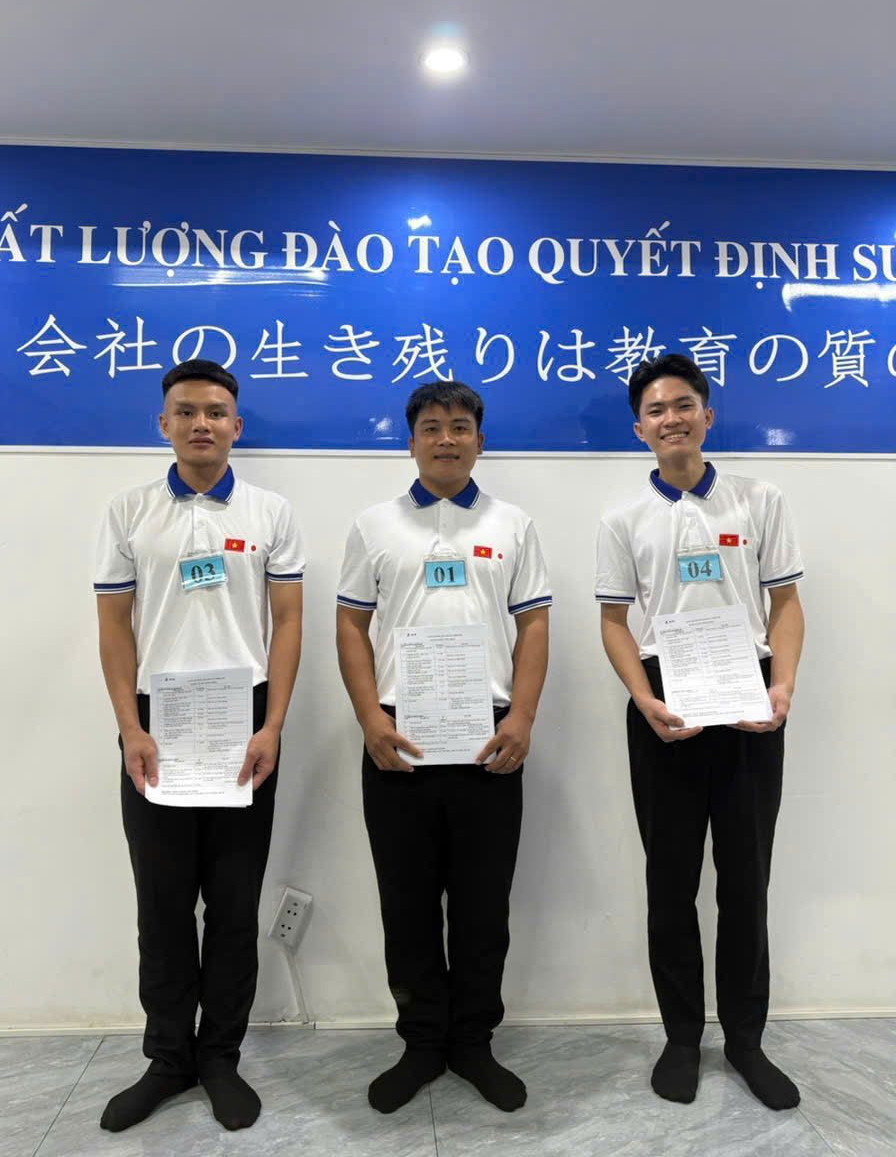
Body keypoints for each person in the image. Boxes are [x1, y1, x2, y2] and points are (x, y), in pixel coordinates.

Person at [93, 359, 303, 1133]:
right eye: (185, 412)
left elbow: (290, 622)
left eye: (216, 412)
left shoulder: (271, 512)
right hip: (157, 720)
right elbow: (114, 626)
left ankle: (219, 1058)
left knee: (234, 904)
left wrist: (273, 724)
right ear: (164, 424)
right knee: (162, 905)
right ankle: (167, 1059)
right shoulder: (128, 511)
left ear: (236, 426)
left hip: (245, 718)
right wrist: (129, 726)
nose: (201, 424)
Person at [595, 352, 804, 1110]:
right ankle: (682, 1038)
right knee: (671, 882)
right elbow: (614, 621)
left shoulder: (759, 499)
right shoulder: (623, 519)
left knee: (747, 881)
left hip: (749, 703)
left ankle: (746, 1041)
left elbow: (785, 605)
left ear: (707, 415)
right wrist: (642, 697)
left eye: (683, 404)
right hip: (665, 708)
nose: (671, 419)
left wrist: (782, 686)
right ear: (639, 429)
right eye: (655, 410)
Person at [336, 380, 551, 1115]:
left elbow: (534, 626)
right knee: (407, 903)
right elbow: (350, 627)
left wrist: (522, 717)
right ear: (411, 442)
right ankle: (423, 1041)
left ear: (479, 441)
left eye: (460, 426)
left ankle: (473, 1042)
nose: (447, 438)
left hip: (491, 739)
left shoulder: (513, 525)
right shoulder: (374, 526)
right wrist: (369, 717)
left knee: (484, 905)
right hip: (399, 739)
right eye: (432, 426)